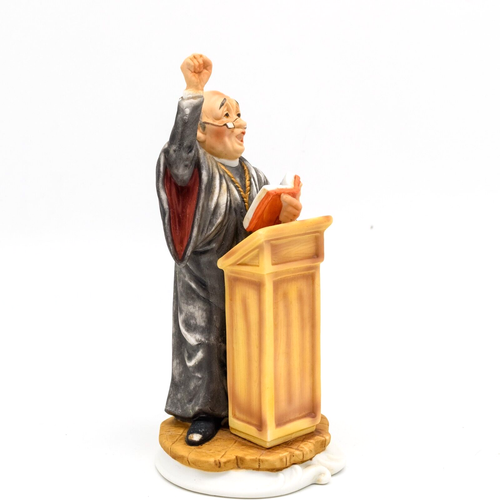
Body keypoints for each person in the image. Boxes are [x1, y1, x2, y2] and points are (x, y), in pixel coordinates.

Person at [156, 54, 302, 446]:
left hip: (247, 287)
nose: (240, 124)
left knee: (249, 350)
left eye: (238, 115)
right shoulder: (196, 171)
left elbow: (258, 232)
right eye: (226, 117)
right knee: (206, 348)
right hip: (204, 287)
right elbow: (178, 158)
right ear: (200, 132)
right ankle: (205, 413)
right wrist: (193, 92)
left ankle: (248, 411)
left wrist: (282, 215)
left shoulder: (254, 175)